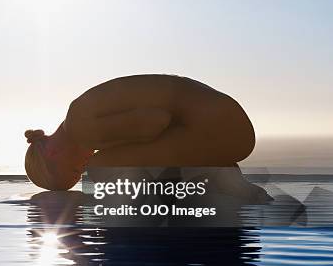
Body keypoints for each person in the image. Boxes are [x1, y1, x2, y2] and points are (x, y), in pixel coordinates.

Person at [24, 75, 257, 191]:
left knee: (102, 169)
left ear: (52, 152)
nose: (83, 167)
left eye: (75, 169)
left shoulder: (81, 128)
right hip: (228, 124)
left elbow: (156, 121)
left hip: (225, 129)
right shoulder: (77, 113)